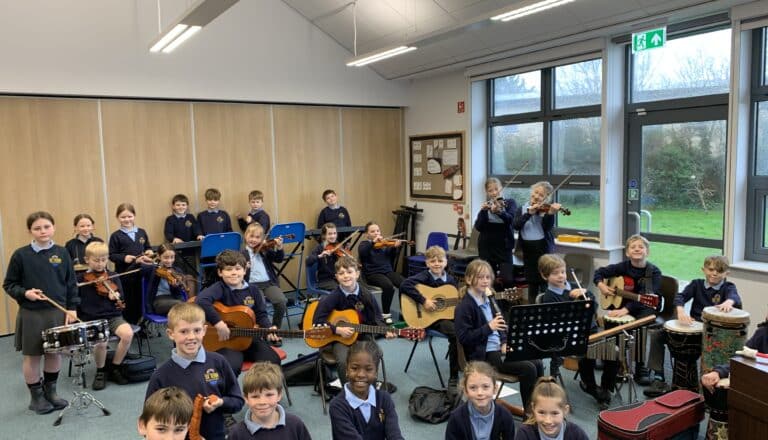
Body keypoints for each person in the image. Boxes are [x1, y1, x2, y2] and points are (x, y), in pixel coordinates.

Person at [3, 211, 78, 415]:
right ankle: (36, 397)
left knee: (54, 354)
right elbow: (9, 284)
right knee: (33, 356)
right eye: (37, 228)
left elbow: (71, 284)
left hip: (57, 312)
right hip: (32, 314)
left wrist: (72, 308)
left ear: (53, 227)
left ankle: (51, 392)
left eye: (46, 227)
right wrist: (25, 293)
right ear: (30, 231)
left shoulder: (62, 253)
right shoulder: (21, 255)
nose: (42, 231)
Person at [644, 255, 745, 398]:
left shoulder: (728, 287)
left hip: (712, 332)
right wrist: (680, 311)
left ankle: (704, 384)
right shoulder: (696, 284)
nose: (714, 273)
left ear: (726, 273)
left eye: (719, 271)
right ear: (703, 270)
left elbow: (734, 296)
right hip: (694, 327)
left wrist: (729, 302)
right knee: (657, 335)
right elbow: (681, 296)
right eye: (711, 269)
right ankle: (659, 377)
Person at [145, 302, 244, 440]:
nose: (191, 337)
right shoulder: (161, 376)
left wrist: (220, 403)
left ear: (204, 330)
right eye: (184, 331)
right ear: (171, 334)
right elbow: (151, 420)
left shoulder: (219, 362)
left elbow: (237, 401)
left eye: (196, 330)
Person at [454, 259, 543, 411]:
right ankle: (529, 414)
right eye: (480, 277)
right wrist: (488, 327)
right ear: (468, 279)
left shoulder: (489, 299)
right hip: (484, 354)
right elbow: (464, 338)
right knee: (528, 369)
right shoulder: (464, 307)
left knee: (538, 363)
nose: (485, 281)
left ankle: (538, 407)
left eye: (488, 277)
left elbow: (501, 327)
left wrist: (503, 342)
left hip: (498, 349)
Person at [537, 254, 618, 410]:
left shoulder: (575, 286)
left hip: (592, 332)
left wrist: (585, 295)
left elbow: (594, 308)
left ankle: (606, 388)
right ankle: (591, 386)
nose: (561, 276)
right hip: (570, 338)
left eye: (562, 271)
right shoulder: (549, 297)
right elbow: (557, 323)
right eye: (555, 273)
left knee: (614, 351)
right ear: (544, 275)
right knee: (586, 352)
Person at [312, 256, 397, 385]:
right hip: (338, 339)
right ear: (336, 277)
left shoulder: (366, 295)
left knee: (376, 353)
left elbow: (377, 318)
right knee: (344, 360)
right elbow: (317, 322)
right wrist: (337, 329)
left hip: (362, 335)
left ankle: (369, 387)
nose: (346, 276)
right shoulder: (332, 297)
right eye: (341, 273)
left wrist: (386, 331)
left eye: (349, 272)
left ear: (357, 274)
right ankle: (348, 393)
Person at [195, 249, 281, 376]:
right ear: (220, 272)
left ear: (244, 270)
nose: (234, 273)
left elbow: (261, 314)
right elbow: (201, 300)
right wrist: (218, 323)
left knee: (273, 361)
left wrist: (268, 329)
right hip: (226, 342)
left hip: (250, 339)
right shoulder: (220, 288)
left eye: (237, 268)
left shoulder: (253, 290)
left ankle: (262, 394)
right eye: (228, 269)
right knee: (231, 367)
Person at [593, 234, 663, 387]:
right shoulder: (623, 267)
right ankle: (614, 360)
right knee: (611, 320)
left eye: (641, 247)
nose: (637, 249)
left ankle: (640, 367)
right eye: (633, 247)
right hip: (624, 304)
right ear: (627, 252)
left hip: (646, 307)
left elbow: (646, 297)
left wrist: (626, 309)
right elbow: (599, 272)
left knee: (639, 326)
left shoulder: (653, 272)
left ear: (647, 252)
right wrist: (601, 285)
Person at [399, 245, 460, 389]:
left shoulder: (451, 280)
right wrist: (423, 300)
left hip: (446, 316)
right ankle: (454, 376)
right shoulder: (425, 276)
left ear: (446, 262)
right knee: (456, 335)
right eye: (433, 261)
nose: (437, 264)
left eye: (440, 260)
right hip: (430, 319)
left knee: (469, 326)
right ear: (427, 263)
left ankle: (468, 363)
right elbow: (404, 285)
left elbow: (453, 300)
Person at [78, 242, 133, 389]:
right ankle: (101, 371)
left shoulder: (113, 275)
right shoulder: (81, 279)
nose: (100, 264)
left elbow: (121, 296)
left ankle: (115, 366)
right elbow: (75, 300)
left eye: (103, 260)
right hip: (92, 318)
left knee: (127, 334)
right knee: (101, 342)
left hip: (113, 316)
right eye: (96, 260)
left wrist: (116, 296)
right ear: (87, 259)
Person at [328, 340, 404, 440]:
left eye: (368, 369)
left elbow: (395, 435)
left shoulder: (384, 399)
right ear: (346, 370)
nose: (361, 375)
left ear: (376, 373)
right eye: (354, 368)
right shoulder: (337, 406)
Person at [228, 362, 312, 440]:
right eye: (255, 396)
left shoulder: (295, 424)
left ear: (279, 395)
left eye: (269, 395)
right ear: (246, 398)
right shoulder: (237, 434)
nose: (262, 402)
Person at [445, 361, 515, 440]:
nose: (480, 393)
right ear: (465, 391)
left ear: (495, 389)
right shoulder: (456, 418)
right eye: (473, 388)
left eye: (485, 386)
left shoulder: (505, 416)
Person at [108, 203, 155, 324]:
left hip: (141, 273)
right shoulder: (115, 236)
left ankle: (142, 325)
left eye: (129, 216)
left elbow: (148, 247)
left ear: (134, 216)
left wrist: (149, 251)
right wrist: (124, 258)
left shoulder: (141, 232)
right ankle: (130, 324)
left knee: (142, 298)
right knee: (129, 300)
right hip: (125, 274)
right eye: (123, 217)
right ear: (117, 218)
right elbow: (111, 255)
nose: (127, 219)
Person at [514, 181, 560, 302]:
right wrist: (529, 214)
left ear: (546, 198)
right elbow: (516, 225)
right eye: (536, 192)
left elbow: (547, 228)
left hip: (543, 251)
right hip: (528, 252)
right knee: (532, 285)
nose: (537, 196)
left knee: (545, 283)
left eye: (541, 195)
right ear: (531, 191)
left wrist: (550, 214)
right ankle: (531, 312)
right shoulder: (522, 209)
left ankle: (546, 312)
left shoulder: (546, 210)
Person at [358, 221, 405, 325]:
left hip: (387, 271)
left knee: (404, 284)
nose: (376, 233)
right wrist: (373, 243)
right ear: (367, 234)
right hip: (372, 274)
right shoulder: (364, 244)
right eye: (372, 231)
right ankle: (386, 314)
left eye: (378, 231)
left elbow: (391, 257)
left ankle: (405, 312)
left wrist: (394, 248)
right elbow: (363, 253)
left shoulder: (384, 244)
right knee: (388, 286)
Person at [242, 222, 287, 331]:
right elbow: (236, 271)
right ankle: (263, 330)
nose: (254, 240)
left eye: (257, 237)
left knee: (281, 301)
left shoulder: (264, 250)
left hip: (268, 283)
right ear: (245, 236)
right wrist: (244, 268)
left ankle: (275, 329)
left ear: (262, 239)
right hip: (251, 286)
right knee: (259, 305)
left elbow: (278, 259)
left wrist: (280, 247)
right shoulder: (241, 253)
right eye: (251, 236)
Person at [515, 377, 589, 440]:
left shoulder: (576, 434)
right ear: (533, 409)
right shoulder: (525, 434)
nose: (548, 420)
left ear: (565, 410)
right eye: (541, 412)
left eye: (554, 413)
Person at [474, 177, 517, 282]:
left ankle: (506, 298)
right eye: (490, 190)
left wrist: (500, 212)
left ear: (501, 188)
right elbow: (478, 227)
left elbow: (511, 221)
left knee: (507, 279)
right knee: (488, 280)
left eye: (496, 189)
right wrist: (483, 212)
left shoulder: (510, 203)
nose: (494, 193)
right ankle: (491, 298)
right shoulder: (487, 205)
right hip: (486, 247)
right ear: (487, 192)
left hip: (504, 246)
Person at [144, 243, 188, 315]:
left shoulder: (176, 270)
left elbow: (178, 293)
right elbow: (143, 268)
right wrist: (152, 264)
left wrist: (175, 286)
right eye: (166, 257)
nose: (169, 261)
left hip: (173, 298)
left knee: (182, 307)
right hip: (158, 301)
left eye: (172, 257)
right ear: (159, 256)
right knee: (181, 306)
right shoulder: (153, 269)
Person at [306, 222, 342, 291]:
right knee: (340, 291)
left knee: (352, 286)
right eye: (330, 234)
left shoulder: (338, 246)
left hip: (338, 277)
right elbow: (308, 261)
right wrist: (320, 255)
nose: (333, 236)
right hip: (325, 280)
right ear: (324, 235)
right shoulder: (319, 248)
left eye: (334, 233)